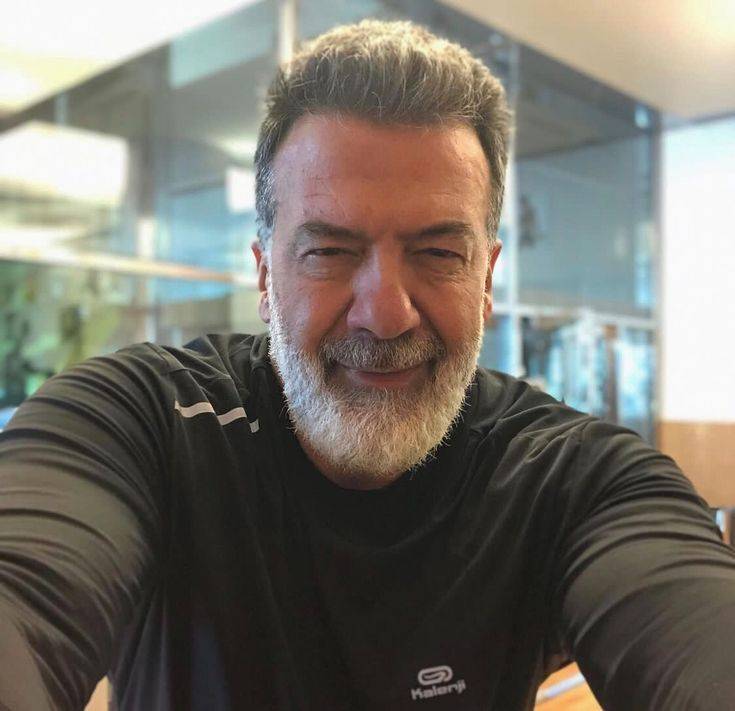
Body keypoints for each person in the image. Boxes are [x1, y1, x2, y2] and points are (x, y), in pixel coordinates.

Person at [1, 19, 734, 711]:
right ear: (265, 277)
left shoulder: (571, 477)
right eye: (329, 251)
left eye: (438, 252)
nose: (385, 314)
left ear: (485, 280)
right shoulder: (143, 423)